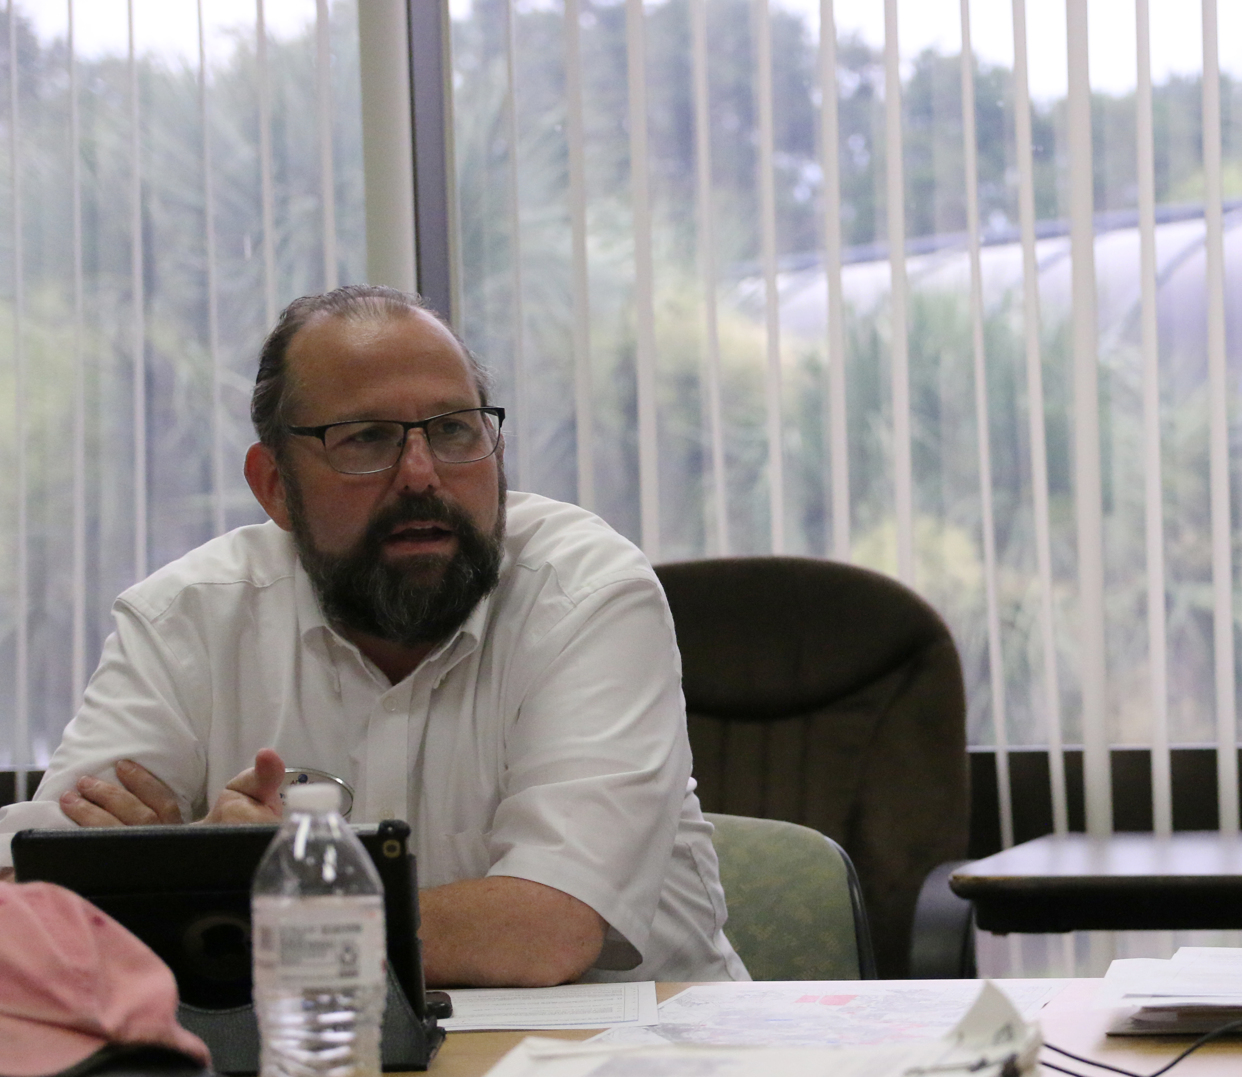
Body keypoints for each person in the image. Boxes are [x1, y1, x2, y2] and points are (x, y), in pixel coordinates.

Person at [0, 286, 746, 988]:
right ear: (274, 487)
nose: (422, 475)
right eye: (366, 439)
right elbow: (36, 897)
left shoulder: (588, 592)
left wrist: (237, 892)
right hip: (314, 1069)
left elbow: (546, 930)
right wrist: (188, 862)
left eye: (455, 430)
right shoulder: (186, 620)